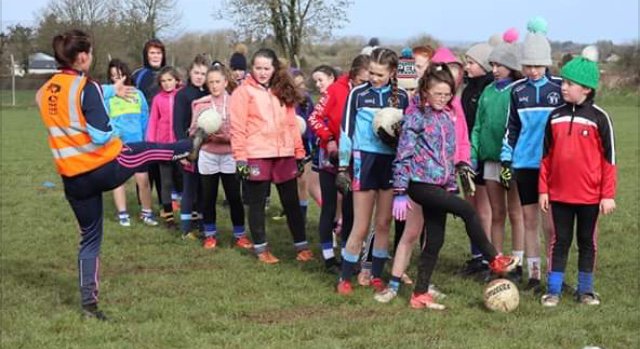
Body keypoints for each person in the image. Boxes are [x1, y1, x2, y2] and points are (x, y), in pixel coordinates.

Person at [36, 29, 193, 320]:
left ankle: (89, 306)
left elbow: (74, 103)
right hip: (101, 168)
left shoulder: (43, 92)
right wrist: (113, 129)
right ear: (82, 56)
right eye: (91, 52)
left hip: (73, 179)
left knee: (90, 239)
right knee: (143, 149)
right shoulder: (86, 86)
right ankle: (186, 148)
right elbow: (99, 133)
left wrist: (112, 91)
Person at [384, 64, 518, 309]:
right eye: (438, 94)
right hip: (419, 184)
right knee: (468, 211)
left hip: (440, 186)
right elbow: (403, 155)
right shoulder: (415, 117)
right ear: (425, 91)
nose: (443, 99)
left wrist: (451, 187)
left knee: (435, 240)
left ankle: (419, 294)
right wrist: (400, 192)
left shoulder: (447, 117)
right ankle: (494, 258)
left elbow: (447, 156)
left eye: (447, 95)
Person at [539, 46, 615, 307]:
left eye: (569, 83)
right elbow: (545, 157)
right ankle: (553, 290)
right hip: (559, 195)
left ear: (586, 88)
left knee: (586, 243)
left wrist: (607, 195)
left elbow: (610, 161)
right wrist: (543, 190)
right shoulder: (554, 116)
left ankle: (586, 291)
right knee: (559, 242)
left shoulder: (600, 118)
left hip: (590, 198)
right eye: (563, 82)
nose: (563, 87)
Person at [229, 48, 314, 264]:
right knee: (256, 204)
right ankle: (261, 249)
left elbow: (292, 124)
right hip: (256, 154)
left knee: (291, 202)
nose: (262, 72)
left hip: (284, 154)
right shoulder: (242, 93)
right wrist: (240, 159)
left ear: (274, 68)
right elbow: (237, 128)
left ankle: (301, 246)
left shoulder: (282, 90)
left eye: (267, 68)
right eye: (258, 68)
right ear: (252, 68)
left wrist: (299, 153)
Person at [335, 48, 409, 295]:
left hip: (390, 163)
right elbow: (345, 132)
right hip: (364, 160)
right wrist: (343, 166)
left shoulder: (403, 98)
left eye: (380, 74)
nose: (374, 78)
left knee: (384, 222)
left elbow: (407, 137)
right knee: (361, 224)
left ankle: (376, 274)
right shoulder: (357, 93)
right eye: (371, 72)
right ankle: (345, 276)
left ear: (392, 72)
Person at [500, 17, 563, 292]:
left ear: (547, 63)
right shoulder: (517, 91)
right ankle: (534, 276)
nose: (534, 71)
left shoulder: (560, 88)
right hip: (524, 164)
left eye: (538, 66)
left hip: (552, 166)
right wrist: (506, 158)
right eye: (528, 66)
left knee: (550, 224)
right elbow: (511, 128)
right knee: (528, 221)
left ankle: (554, 275)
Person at [470, 29, 525, 282]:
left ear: (512, 66)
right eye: (492, 64)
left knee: (515, 212)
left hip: (512, 162)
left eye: (499, 65)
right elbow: (479, 126)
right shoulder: (489, 91)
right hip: (490, 160)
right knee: (496, 213)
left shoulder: (517, 90)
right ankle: (497, 261)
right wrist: (474, 154)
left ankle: (519, 261)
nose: (494, 69)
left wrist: (512, 158)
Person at [308, 55, 370, 273]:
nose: (367, 84)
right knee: (329, 208)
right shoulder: (335, 90)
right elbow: (314, 118)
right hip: (331, 158)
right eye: (363, 80)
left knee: (351, 210)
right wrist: (329, 139)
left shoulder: (370, 94)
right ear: (352, 76)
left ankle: (347, 256)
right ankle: (328, 257)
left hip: (357, 158)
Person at [190, 63, 252, 250]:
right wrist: (202, 134)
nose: (214, 85)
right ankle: (210, 235)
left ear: (226, 82)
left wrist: (226, 137)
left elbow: (244, 129)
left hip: (230, 155)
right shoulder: (201, 104)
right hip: (208, 154)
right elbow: (192, 130)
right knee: (208, 197)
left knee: (234, 196)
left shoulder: (235, 102)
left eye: (218, 81)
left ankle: (240, 235)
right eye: (211, 82)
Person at [104, 59, 158, 227]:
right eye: (113, 76)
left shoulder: (138, 95)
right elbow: (106, 120)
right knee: (118, 181)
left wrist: (145, 140)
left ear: (126, 75)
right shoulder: (108, 97)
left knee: (143, 181)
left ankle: (147, 213)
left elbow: (145, 119)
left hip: (138, 145)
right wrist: (115, 137)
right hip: (118, 146)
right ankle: (122, 214)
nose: (116, 79)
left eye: (119, 75)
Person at [459, 36, 496, 276]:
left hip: (481, 156)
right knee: (470, 207)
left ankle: (487, 257)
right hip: (465, 155)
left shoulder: (487, 89)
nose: (466, 66)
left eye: (471, 62)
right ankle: (476, 255)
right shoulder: (468, 88)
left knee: (483, 209)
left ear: (483, 65)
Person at [173, 54, 211, 239]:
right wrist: (182, 151)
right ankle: (186, 228)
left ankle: (204, 225)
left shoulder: (208, 95)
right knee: (189, 189)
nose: (199, 76)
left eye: (203, 73)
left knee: (204, 189)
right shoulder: (182, 95)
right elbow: (177, 125)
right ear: (190, 72)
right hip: (189, 147)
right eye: (196, 72)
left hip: (207, 148)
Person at [146, 66, 183, 229]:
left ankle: (189, 215)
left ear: (177, 80)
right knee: (166, 182)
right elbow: (153, 121)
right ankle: (168, 218)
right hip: (163, 146)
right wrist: (151, 143)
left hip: (180, 146)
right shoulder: (157, 99)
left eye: (170, 80)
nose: (167, 84)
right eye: (163, 81)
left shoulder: (182, 96)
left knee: (182, 181)